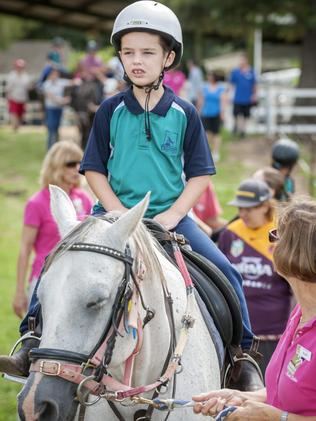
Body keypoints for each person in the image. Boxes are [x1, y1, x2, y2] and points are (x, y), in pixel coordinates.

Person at [80, 0, 256, 358]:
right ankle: (32, 337)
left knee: (226, 272)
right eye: (128, 52)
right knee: (63, 259)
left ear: (168, 59)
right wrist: (118, 215)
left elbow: (200, 175)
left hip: (168, 216)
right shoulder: (109, 111)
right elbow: (94, 169)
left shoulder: (184, 113)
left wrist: (173, 216)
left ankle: (243, 354)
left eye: (147, 52)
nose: (136, 60)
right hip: (112, 215)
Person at [193, 196, 316, 419]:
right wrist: (243, 397)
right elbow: (291, 395)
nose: (271, 243)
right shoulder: (300, 314)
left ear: (295, 251)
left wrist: (274, 417)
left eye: (275, 236)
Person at [0, 141, 93, 377]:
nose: (77, 168)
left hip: (77, 275)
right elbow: (24, 248)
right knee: (44, 335)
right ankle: (25, 357)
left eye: (79, 163)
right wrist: (20, 291)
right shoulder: (37, 202)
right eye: (70, 163)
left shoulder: (85, 199)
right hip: (45, 276)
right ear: (55, 165)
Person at [218, 179, 292, 375]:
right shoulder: (231, 233)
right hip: (239, 335)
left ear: (265, 206)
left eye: (249, 209)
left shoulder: (280, 233)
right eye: (240, 208)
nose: (243, 214)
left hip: (273, 335)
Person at [197, 70, 227, 162]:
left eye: (210, 76)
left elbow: (223, 101)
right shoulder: (205, 87)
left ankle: (215, 152)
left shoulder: (220, 88)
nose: (209, 77)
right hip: (206, 113)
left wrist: (222, 113)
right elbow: (201, 100)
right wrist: (198, 111)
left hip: (216, 113)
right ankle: (206, 151)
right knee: (205, 134)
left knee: (216, 133)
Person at [42, 66, 72, 149]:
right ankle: (50, 148)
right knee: (52, 128)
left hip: (59, 109)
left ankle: (55, 147)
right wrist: (62, 100)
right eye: (53, 74)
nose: (54, 76)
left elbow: (72, 82)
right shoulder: (46, 84)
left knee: (57, 127)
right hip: (51, 109)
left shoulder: (61, 82)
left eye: (56, 74)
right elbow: (51, 96)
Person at [230, 53, 257, 138]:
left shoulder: (251, 71)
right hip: (237, 98)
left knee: (246, 116)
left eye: (242, 59)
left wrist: (254, 95)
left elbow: (254, 85)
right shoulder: (235, 72)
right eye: (240, 60)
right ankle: (235, 127)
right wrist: (229, 95)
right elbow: (231, 84)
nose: (241, 61)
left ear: (246, 60)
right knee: (235, 114)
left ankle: (243, 131)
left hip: (247, 98)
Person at [6, 59, 31, 131]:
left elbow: (27, 87)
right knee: (14, 113)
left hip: (22, 98)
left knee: (20, 114)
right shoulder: (12, 75)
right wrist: (8, 97)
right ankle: (14, 127)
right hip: (13, 97)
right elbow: (8, 87)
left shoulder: (25, 76)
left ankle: (17, 127)